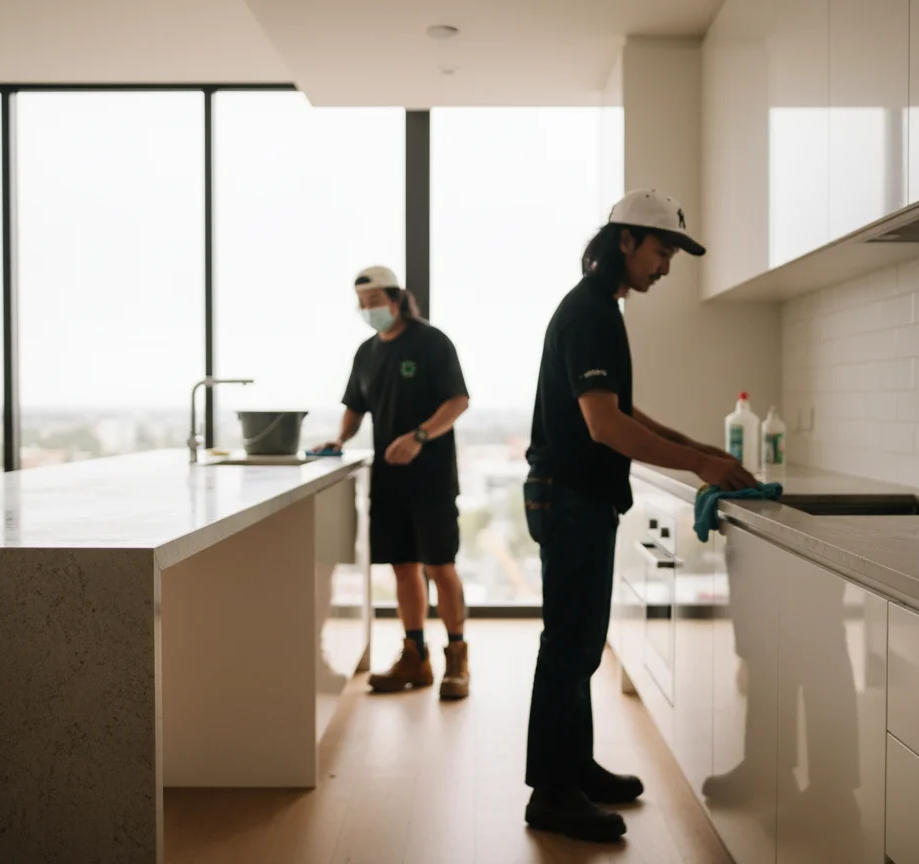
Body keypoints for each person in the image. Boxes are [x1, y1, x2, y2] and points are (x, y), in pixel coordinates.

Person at [521, 190, 758, 843]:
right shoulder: (592, 313)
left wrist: (701, 451)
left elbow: (619, 410)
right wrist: (697, 464)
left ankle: (574, 770)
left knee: (580, 644)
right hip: (570, 496)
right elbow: (605, 426)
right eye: (662, 251)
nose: (666, 267)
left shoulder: (598, 307)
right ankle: (551, 794)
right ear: (624, 241)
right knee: (569, 646)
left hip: (575, 496)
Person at [317, 265, 472, 700]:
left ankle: (457, 658)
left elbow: (458, 400)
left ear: (396, 299)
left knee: (440, 567)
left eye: (375, 302)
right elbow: (355, 406)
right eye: (363, 305)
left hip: (432, 478)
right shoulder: (366, 352)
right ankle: (414, 656)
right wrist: (339, 438)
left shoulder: (431, 342)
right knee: (403, 568)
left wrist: (419, 436)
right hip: (388, 481)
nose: (369, 311)